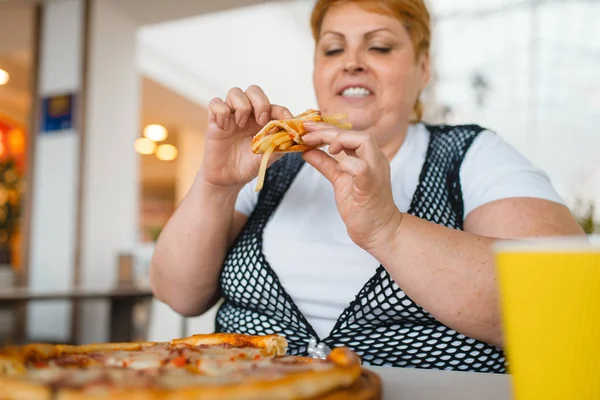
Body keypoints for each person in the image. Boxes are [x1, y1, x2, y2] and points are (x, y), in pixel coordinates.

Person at [149, 0, 584, 372]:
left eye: (379, 46)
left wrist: (388, 229)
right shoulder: (268, 164)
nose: (351, 61)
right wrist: (216, 184)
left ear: (423, 67)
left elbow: (568, 306)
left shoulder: (471, 154)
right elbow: (179, 295)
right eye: (333, 48)